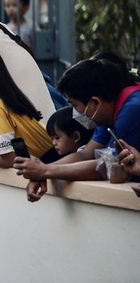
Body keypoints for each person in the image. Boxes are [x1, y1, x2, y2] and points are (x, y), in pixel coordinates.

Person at [14, 55, 140, 200]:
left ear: (95, 103)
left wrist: (45, 171)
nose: (75, 113)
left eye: (74, 105)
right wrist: (42, 171)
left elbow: (107, 167)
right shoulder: (108, 111)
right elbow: (86, 154)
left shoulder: (131, 111)